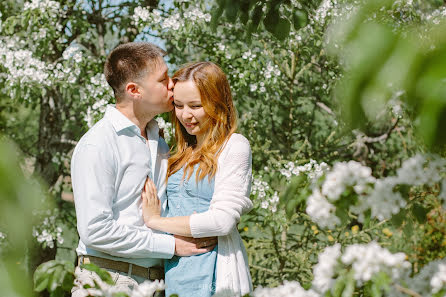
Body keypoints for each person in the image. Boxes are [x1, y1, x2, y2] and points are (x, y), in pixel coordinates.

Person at [70, 43, 216, 297]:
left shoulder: (158, 141)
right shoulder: (99, 144)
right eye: (162, 79)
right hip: (108, 280)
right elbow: (95, 231)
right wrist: (172, 245)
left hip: (155, 283)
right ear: (134, 90)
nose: (172, 84)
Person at [141, 61, 253, 297]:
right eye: (179, 105)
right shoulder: (178, 153)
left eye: (195, 105)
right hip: (176, 275)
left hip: (213, 273)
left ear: (217, 104)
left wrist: (155, 221)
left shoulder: (234, 147)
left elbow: (222, 221)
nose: (185, 115)